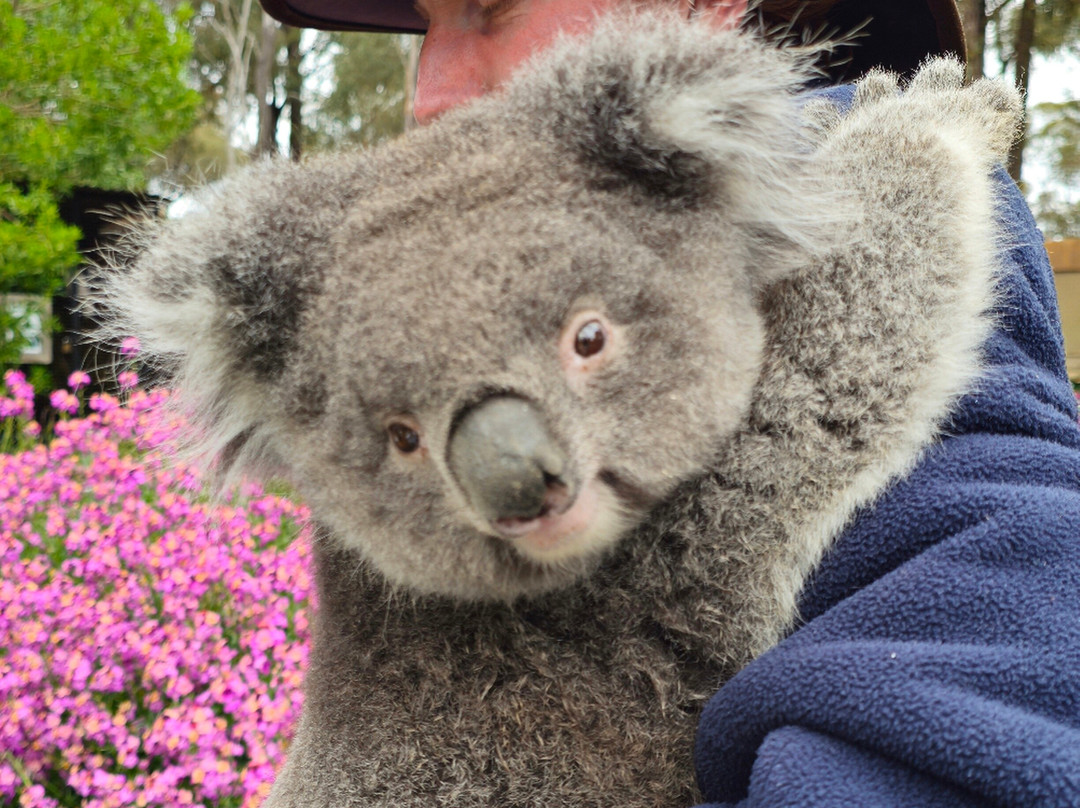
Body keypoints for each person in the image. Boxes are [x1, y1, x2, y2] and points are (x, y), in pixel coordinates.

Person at [258, 1, 1080, 806]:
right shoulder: (383, 293)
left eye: (492, 9)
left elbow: (997, 579)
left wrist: (903, 180)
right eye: (425, 24)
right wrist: (918, 165)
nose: (429, 94)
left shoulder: (786, 168)